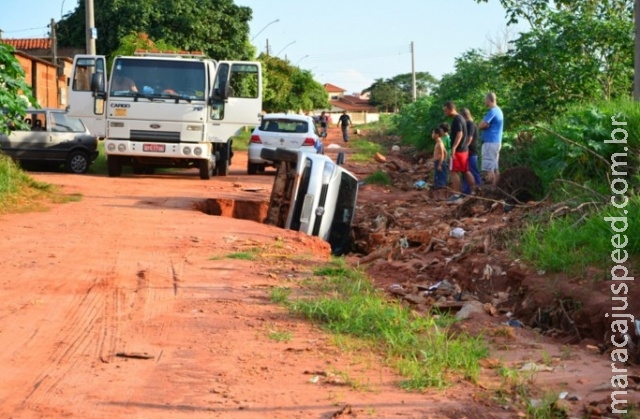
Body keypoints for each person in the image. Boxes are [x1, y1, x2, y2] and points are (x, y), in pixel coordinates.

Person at [443, 101, 474, 201]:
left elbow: (459, 133)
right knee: (465, 171)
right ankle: (475, 191)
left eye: (446, 110)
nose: (445, 113)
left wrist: (454, 148)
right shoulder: (461, 118)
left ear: (450, 109)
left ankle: (457, 195)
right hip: (464, 149)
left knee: (453, 171)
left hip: (459, 150)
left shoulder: (457, 119)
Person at [478, 92, 504, 185]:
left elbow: (481, 124)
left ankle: (488, 190)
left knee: (488, 169)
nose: (485, 101)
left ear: (489, 100)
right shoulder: (499, 111)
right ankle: (495, 189)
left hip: (490, 142)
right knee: (495, 168)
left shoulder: (492, 111)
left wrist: (483, 126)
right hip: (496, 142)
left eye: (485, 99)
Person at [460, 108, 482, 195]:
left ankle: (480, 190)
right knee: (465, 171)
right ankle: (466, 191)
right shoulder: (469, 124)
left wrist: (464, 147)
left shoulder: (470, 124)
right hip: (469, 152)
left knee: (473, 171)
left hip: (471, 152)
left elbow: (469, 138)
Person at [429, 126, 448, 201]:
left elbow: (443, 154)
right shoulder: (439, 142)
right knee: (438, 178)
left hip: (439, 163)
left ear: (437, 134)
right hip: (439, 162)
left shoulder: (439, 143)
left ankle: (442, 197)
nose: (432, 134)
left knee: (441, 180)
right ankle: (438, 197)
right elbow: (445, 152)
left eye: (433, 133)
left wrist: (440, 164)